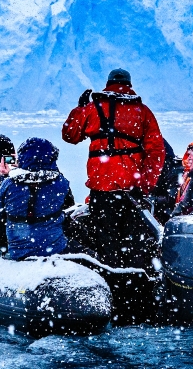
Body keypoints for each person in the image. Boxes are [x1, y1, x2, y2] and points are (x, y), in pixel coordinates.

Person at [61, 68, 167, 267]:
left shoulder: (93, 108)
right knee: (134, 241)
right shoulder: (142, 112)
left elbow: (70, 135)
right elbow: (156, 152)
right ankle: (135, 282)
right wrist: (144, 185)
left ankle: (110, 276)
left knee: (105, 240)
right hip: (131, 190)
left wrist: (79, 110)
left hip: (101, 189)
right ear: (129, 84)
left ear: (108, 83)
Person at [0, 137, 75, 260]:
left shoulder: (8, 184)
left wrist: (4, 176)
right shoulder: (61, 183)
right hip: (55, 248)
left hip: (18, 251)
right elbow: (70, 205)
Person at [148, 139, 181, 223]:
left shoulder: (175, 170)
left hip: (168, 217)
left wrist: (151, 200)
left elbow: (171, 198)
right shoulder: (154, 168)